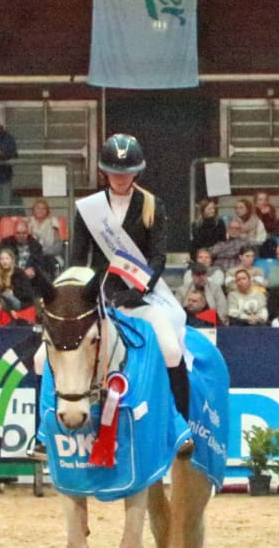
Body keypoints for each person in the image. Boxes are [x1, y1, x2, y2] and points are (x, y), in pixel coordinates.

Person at [68, 133, 189, 417]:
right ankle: (41, 435)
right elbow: (77, 260)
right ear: (104, 171)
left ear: (137, 172)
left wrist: (139, 290)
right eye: (114, 172)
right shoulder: (89, 209)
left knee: (171, 350)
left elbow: (158, 256)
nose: (120, 178)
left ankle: (183, 425)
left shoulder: (152, 205)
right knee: (41, 358)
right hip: (99, 298)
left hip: (140, 298)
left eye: (127, 172)